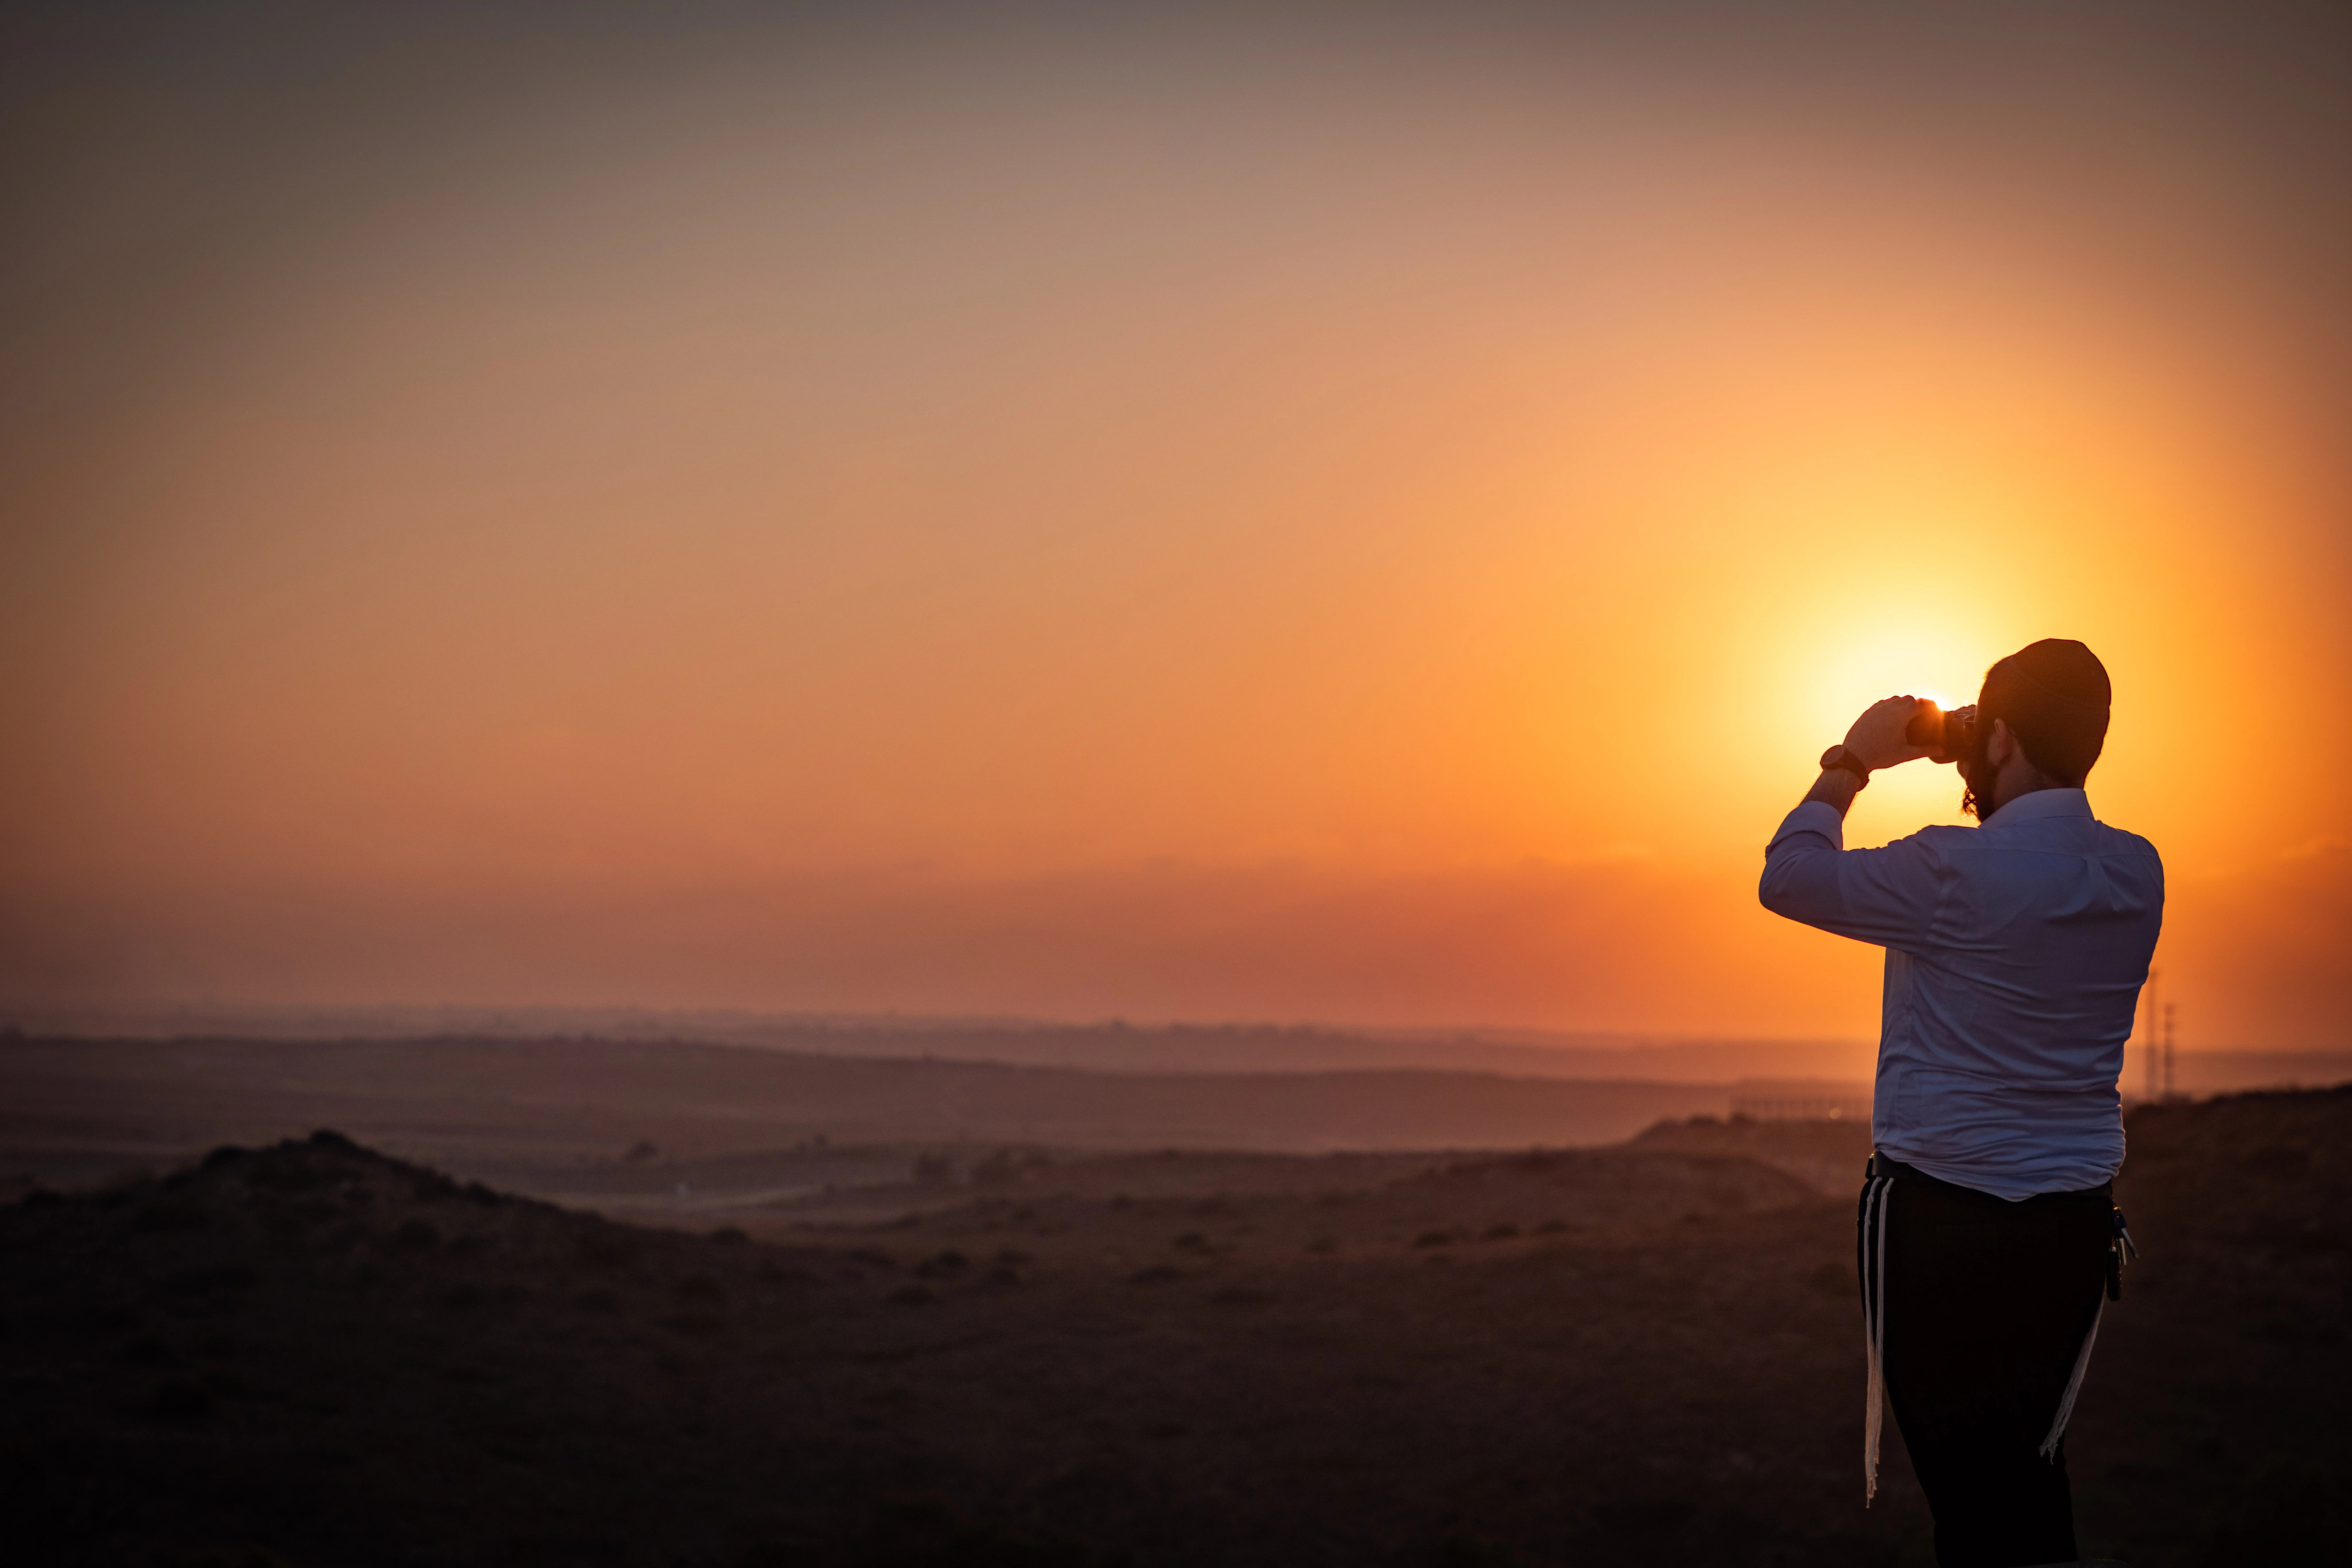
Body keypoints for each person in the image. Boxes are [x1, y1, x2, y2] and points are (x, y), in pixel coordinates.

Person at [1758, 639, 2163, 1568]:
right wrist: (1981, 744)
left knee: (1968, 1503)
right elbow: (2032, 833)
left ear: (2007, 738)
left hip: (1937, 1223)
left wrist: (1852, 761)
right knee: (2026, 1476)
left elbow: (1788, 875)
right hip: (2071, 1227)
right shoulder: (2138, 873)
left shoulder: (1950, 872)